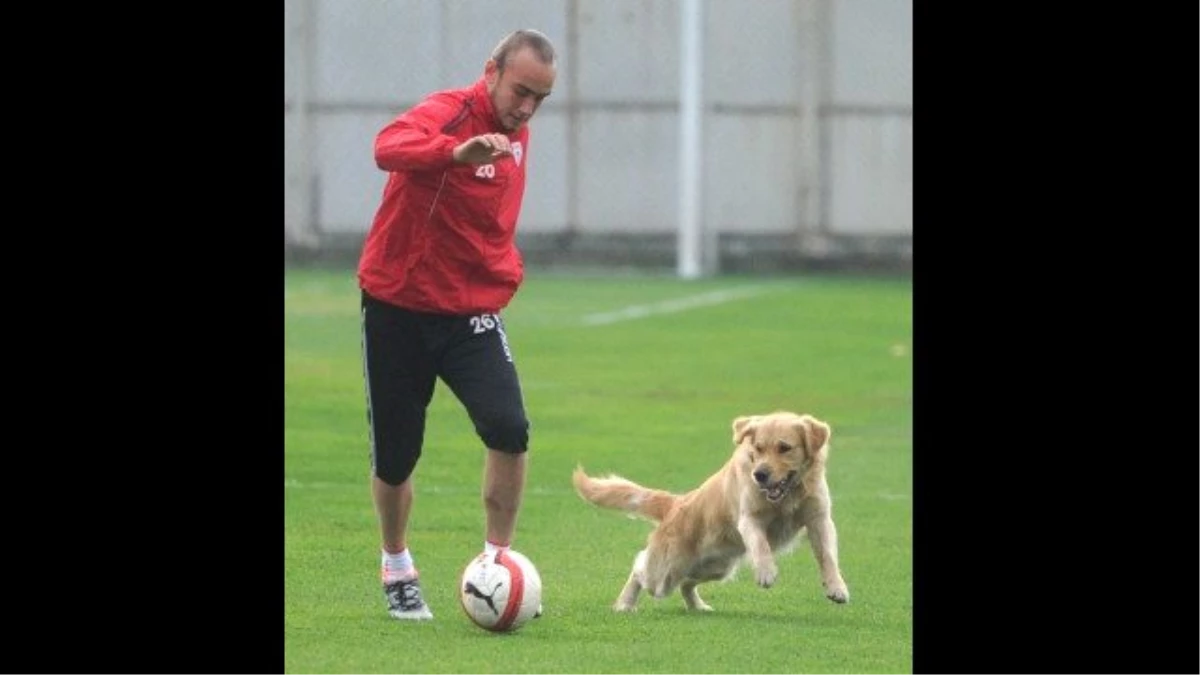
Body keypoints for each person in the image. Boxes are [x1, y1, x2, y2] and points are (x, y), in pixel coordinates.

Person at [356, 29, 557, 621]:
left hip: (470, 312)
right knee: (396, 456)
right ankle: (397, 564)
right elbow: (388, 145)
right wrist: (453, 152)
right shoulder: (449, 112)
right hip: (398, 307)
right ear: (491, 70)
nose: (526, 108)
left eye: (540, 99)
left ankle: (498, 566)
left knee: (509, 427)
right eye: (520, 91)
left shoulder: (517, 132)